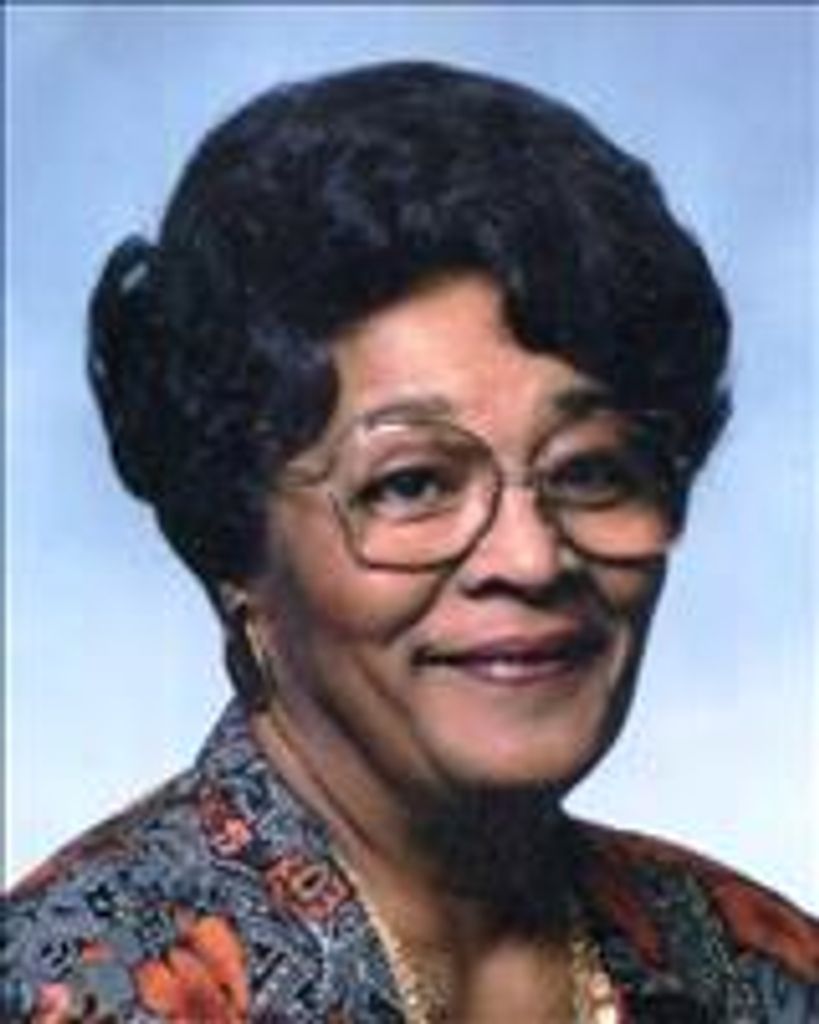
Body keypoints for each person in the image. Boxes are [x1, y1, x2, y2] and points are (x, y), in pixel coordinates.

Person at [3, 60, 817, 1024]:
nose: (530, 559)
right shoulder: (78, 990)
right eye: (413, 484)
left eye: (591, 470)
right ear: (237, 545)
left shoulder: (759, 972)